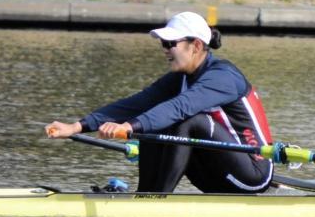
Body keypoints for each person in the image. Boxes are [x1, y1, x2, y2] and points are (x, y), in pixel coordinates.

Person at [45, 11, 274, 193]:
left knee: (188, 120)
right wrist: (77, 126)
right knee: (154, 118)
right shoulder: (180, 77)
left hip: (252, 174)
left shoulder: (223, 77)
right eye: (162, 44)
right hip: (214, 173)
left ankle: (156, 200)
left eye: (169, 43)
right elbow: (135, 103)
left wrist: (128, 127)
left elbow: (180, 107)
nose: (164, 50)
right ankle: (146, 194)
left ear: (195, 46)